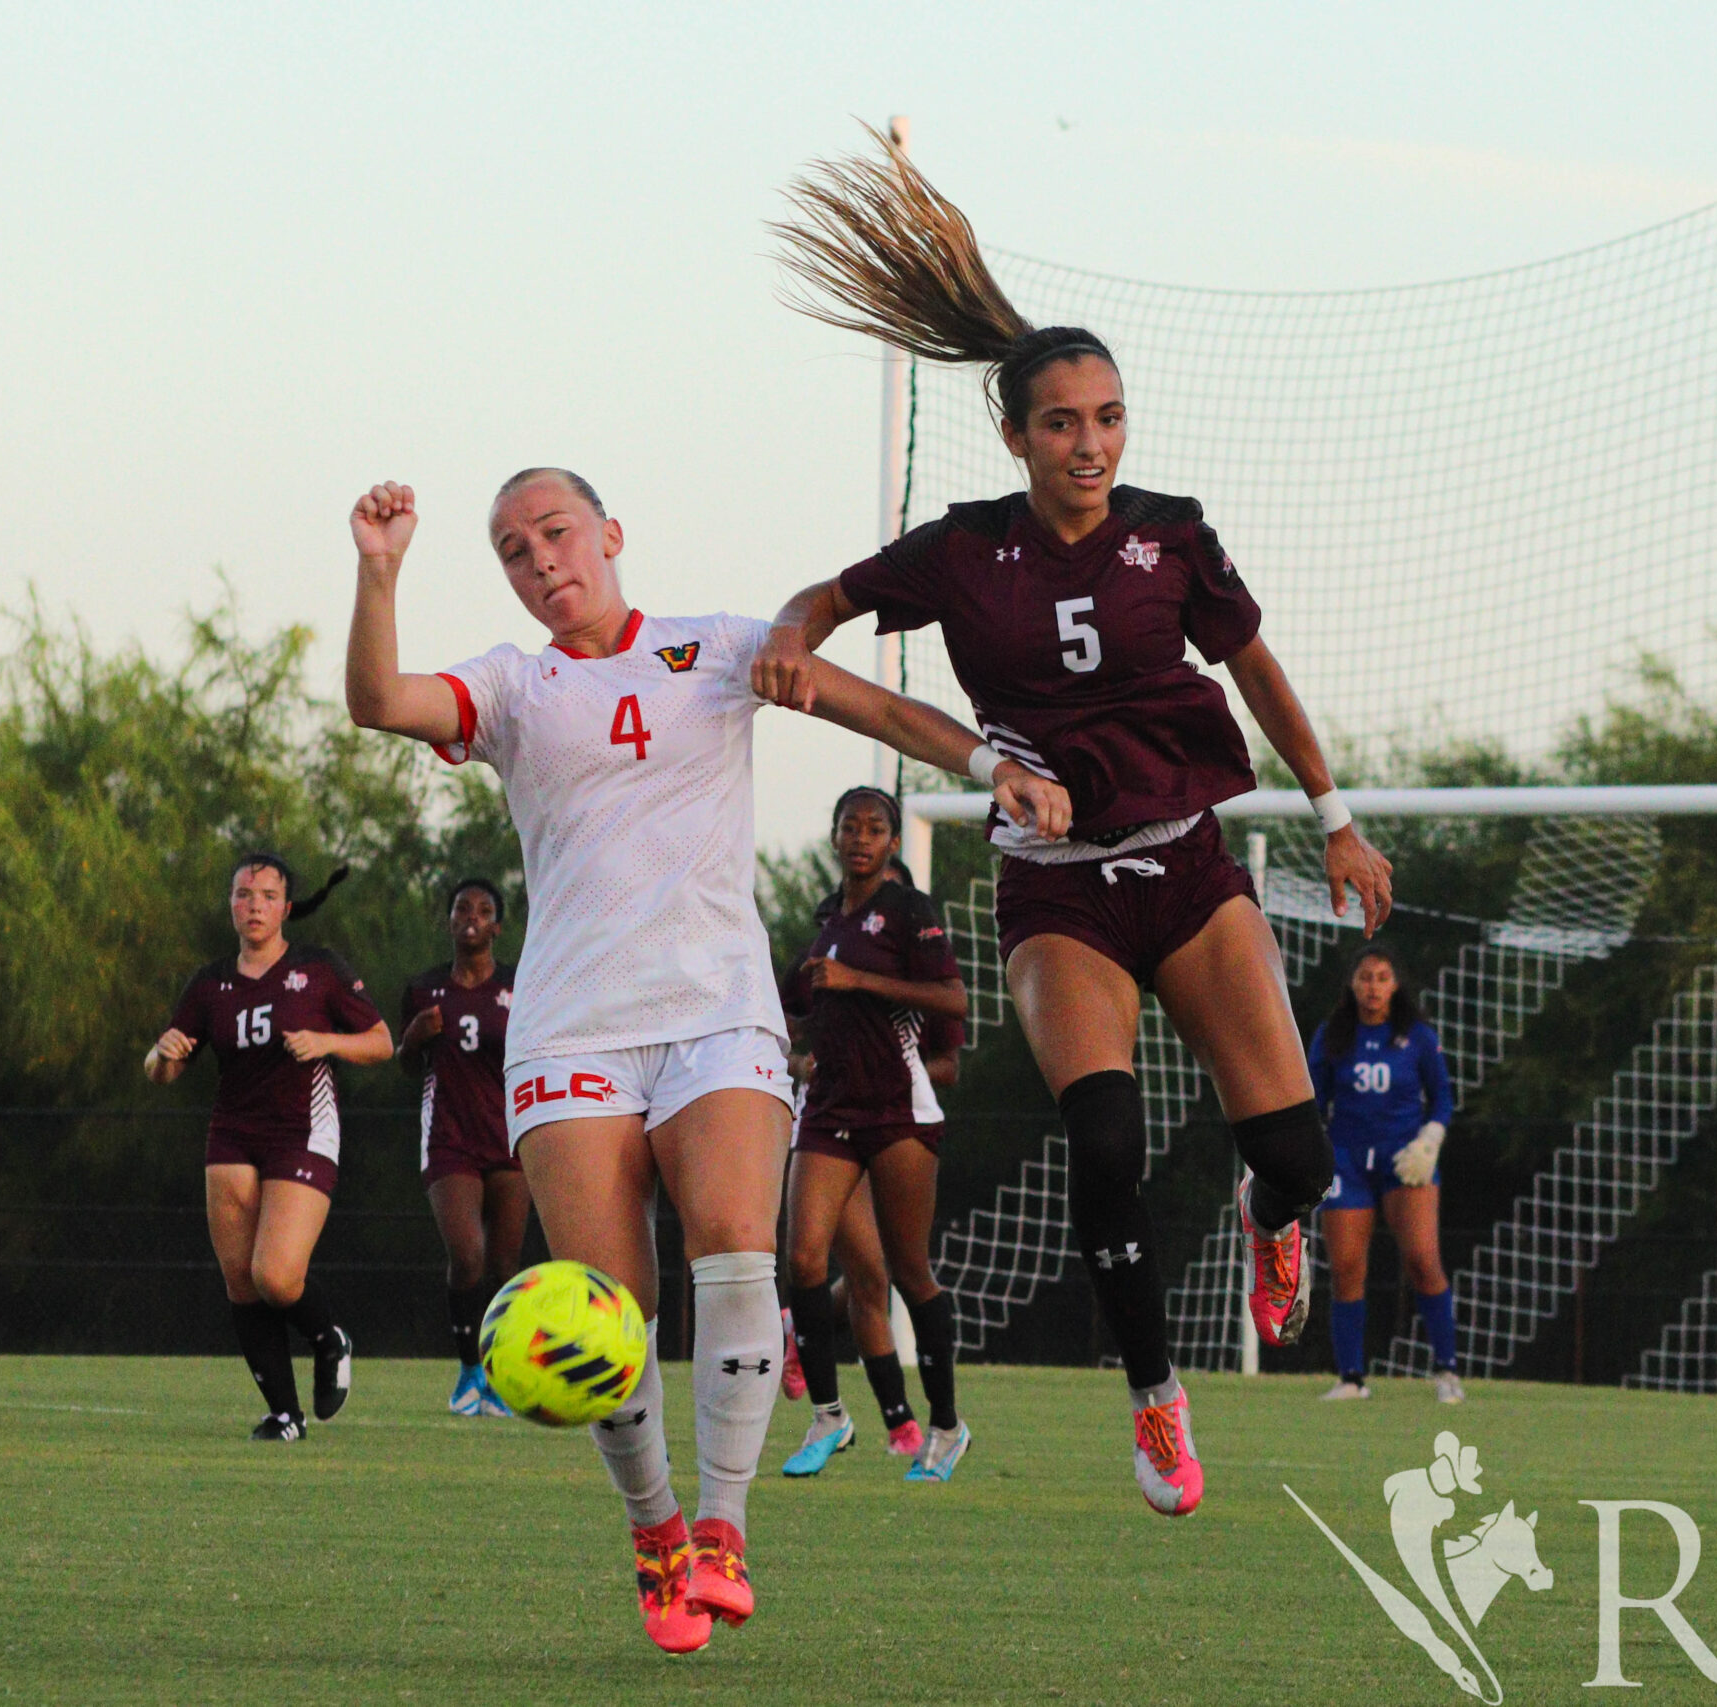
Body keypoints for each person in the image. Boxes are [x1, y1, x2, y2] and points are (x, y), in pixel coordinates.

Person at [757, 135, 1392, 1517]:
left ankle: (1267, 1220)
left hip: (1189, 868)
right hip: (1059, 893)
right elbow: (826, 600)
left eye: (1108, 415)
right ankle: (1159, 1407)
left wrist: (1335, 816)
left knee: (1293, 1155)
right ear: (1016, 435)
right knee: (1104, 1139)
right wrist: (792, 640)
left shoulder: (1174, 533)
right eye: (1063, 421)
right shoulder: (963, 550)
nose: (1092, 441)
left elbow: (1257, 669)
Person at [343, 470, 1069, 1652]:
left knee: (737, 1248)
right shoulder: (511, 687)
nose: (541, 561)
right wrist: (380, 571)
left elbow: (876, 713)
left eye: (557, 533)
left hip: (717, 1013)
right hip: (573, 1028)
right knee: (611, 1313)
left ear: (612, 534)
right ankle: (654, 1532)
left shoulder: (719, 648)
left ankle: (722, 1532)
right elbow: (378, 700)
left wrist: (994, 767)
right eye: (514, 550)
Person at [145, 855, 393, 1440]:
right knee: (241, 1281)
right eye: (242, 894)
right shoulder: (209, 983)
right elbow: (164, 1071)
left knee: (276, 1276)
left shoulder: (319, 968)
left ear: (286, 907)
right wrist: (161, 1054)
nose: (254, 904)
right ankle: (285, 1415)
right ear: (230, 904)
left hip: (302, 1128)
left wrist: (325, 1040)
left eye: (266, 894)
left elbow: (382, 1042)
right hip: (232, 1132)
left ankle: (329, 1336)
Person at [778, 786, 970, 1484]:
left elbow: (953, 1001)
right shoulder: (828, 922)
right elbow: (793, 1001)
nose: (861, 836)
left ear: (892, 841)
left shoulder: (908, 912)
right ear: (833, 837)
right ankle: (830, 1414)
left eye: (876, 827)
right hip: (830, 1106)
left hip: (898, 1109)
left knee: (908, 1271)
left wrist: (857, 980)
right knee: (802, 1258)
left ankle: (946, 1427)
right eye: (849, 826)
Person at [1308, 944, 1462, 1404]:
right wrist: (1310, 1149)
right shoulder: (1333, 1035)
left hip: (1404, 1160)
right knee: (1347, 1267)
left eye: (1381, 977)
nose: (1372, 987)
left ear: (1395, 985)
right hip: (1348, 1162)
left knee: (1422, 1260)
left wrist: (1428, 1142)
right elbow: (1313, 1101)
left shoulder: (1416, 1036)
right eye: (1365, 977)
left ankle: (1446, 1370)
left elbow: (1444, 1100)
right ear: (1352, 985)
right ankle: (1351, 1377)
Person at [398, 877, 528, 1417]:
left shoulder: (521, 986)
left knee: (504, 1265)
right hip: (449, 1138)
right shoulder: (425, 990)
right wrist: (415, 1037)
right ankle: (469, 1370)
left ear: (497, 926)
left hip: (511, 1138)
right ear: (449, 921)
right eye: (460, 908)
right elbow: (405, 1064)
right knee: (467, 1255)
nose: (470, 916)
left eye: (482, 910)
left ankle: (501, 1375)